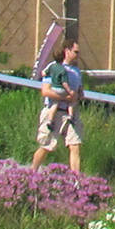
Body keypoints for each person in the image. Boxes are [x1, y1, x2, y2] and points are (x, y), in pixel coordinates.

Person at [31, 40, 85, 171]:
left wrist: (78, 96)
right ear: (67, 51)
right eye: (75, 52)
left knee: (75, 145)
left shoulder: (77, 71)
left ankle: (76, 182)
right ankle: (32, 172)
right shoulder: (54, 67)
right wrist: (65, 97)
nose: (78, 55)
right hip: (54, 111)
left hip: (71, 113)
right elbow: (46, 91)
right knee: (46, 146)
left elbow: (80, 92)